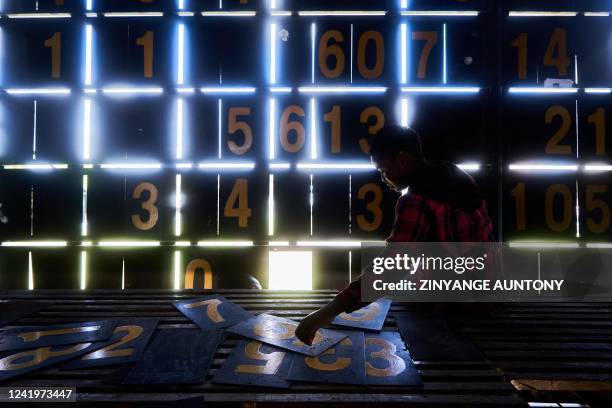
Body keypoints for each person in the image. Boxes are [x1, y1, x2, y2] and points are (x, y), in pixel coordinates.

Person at [295, 124, 495, 345]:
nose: (383, 178)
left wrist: (326, 313)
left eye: (383, 169)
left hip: (457, 310)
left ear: (402, 159)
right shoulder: (457, 176)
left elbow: (391, 269)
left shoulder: (416, 201)